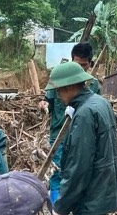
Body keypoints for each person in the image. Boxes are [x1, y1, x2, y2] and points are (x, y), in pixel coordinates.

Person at [46, 60, 117, 215]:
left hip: (90, 197)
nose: (57, 95)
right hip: (101, 190)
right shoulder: (99, 102)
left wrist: (60, 206)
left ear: (70, 86)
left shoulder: (85, 114)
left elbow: (78, 166)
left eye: (59, 90)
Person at [39, 43, 99, 204]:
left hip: (81, 136)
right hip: (60, 135)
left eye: (84, 66)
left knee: (79, 170)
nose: (80, 69)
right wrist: (44, 105)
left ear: (90, 64)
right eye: (76, 64)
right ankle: (57, 210)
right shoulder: (60, 79)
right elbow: (48, 101)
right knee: (58, 172)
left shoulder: (93, 85)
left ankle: (73, 205)